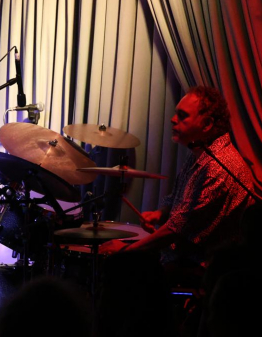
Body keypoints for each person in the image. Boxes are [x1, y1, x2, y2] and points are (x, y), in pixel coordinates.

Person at [102, 86, 254, 272]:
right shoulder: (200, 151)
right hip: (185, 258)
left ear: (206, 124)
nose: (173, 120)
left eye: (182, 116)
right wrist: (161, 213)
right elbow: (181, 204)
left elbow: (178, 228)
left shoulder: (218, 166)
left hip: (206, 268)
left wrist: (128, 251)